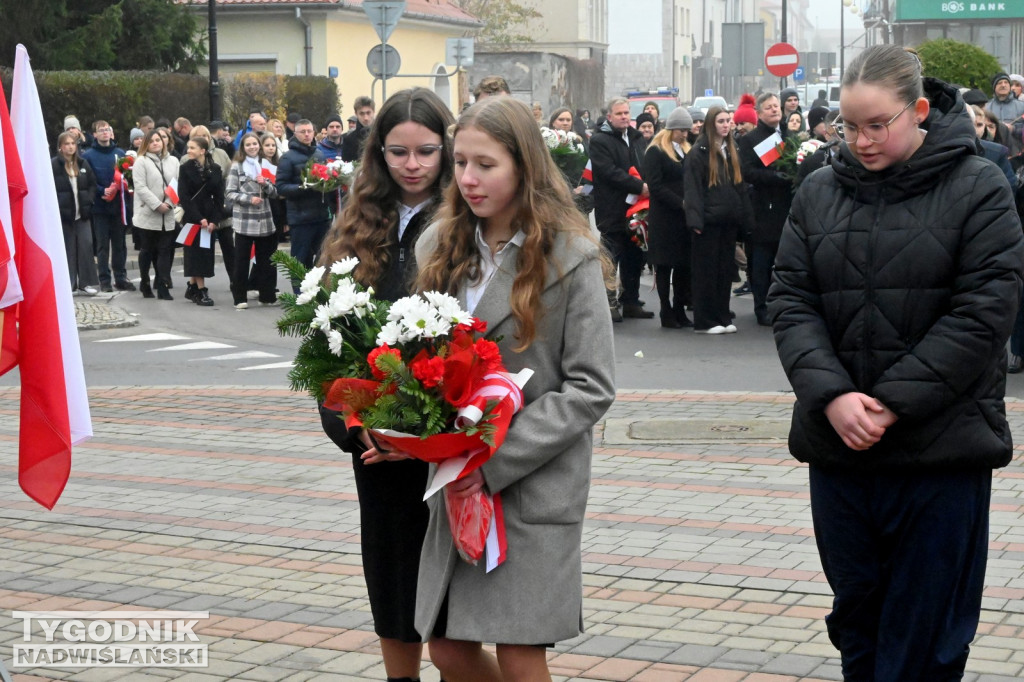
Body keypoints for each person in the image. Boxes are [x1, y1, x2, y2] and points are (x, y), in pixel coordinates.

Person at [768, 45, 1024, 682]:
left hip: (941, 453)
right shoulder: (820, 190)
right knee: (860, 622)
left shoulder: (979, 185)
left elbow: (983, 312)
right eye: (850, 127)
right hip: (841, 451)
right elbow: (790, 298)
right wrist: (832, 397)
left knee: (927, 634)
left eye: (877, 125)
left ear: (918, 112)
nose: (861, 140)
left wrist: (888, 403)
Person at [413, 94, 616, 682]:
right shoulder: (437, 248)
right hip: (457, 485)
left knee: (521, 653)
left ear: (524, 167)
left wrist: (494, 456)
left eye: (486, 165)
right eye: (459, 163)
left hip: (529, 483)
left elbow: (591, 385)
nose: (468, 179)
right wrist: (403, 425)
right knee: (448, 647)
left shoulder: (569, 256)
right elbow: (418, 360)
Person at [316, 88, 454, 682]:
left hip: (444, 435)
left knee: (450, 596)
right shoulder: (355, 222)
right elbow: (324, 340)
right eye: (398, 151)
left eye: (426, 150)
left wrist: (436, 422)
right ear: (379, 152)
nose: (413, 164)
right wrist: (349, 424)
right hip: (373, 440)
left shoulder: (462, 220)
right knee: (391, 573)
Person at [685, 106, 752, 334]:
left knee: (725, 273)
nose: (726, 125)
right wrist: (695, 221)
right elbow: (693, 189)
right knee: (707, 273)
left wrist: (744, 217)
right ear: (711, 124)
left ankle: (723, 316)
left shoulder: (732, 150)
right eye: (721, 121)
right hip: (708, 222)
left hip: (728, 220)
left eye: (728, 121)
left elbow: (740, 187)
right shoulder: (699, 152)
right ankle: (705, 321)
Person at [590, 96, 652, 321]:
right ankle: (609, 303)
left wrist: (647, 185)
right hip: (612, 209)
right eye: (619, 114)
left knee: (634, 258)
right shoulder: (599, 141)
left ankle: (631, 302)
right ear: (609, 117)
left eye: (627, 113)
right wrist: (640, 186)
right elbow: (608, 172)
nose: (624, 117)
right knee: (611, 259)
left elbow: (644, 166)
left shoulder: (636, 138)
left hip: (637, 210)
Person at [737, 92, 789, 326]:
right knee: (762, 262)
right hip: (764, 208)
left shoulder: (789, 135)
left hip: (787, 206)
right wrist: (775, 176)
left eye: (776, 106)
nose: (774, 110)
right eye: (769, 107)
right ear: (759, 113)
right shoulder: (751, 139)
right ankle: (762, 307)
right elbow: (747, 172)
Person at [642, 107, 693, 328]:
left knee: (683, 264)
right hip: (664, 216)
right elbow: (655, 185)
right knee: (664, 265)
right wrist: (679, 202)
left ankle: (680, 308)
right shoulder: (656, 151)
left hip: (684, 217)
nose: (685, 134)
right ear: (671, 129)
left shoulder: (686, 150)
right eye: (681, 130)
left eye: (687, 130)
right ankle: (666, 309)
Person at [226, 132, 278, 310]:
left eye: (255, 144)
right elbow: (230, 193)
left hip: (265, 220)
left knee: (267, 261)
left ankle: (267, 295)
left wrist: (265, 184)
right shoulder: (236, 167)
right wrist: (248, 199)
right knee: (241, 261)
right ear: (243, 147)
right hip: (244, 221)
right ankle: (239, 297)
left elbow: (274, 192)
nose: (252, 147)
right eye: (248, 145)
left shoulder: (266, 165)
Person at [82, 120, 135, 293]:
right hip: (100, 207)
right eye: (101, 130)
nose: (105, 132)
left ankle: (120, 277)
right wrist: (101, 190)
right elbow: (88, 180)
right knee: (102, 245)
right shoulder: (88, 156)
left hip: (118, 207)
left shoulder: (120, 153)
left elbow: (127, 178)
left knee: (120, 245)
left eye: (107, 129)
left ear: (112, 133)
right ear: (95, 134)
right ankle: (104, 279)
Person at [276, 118, 332, 269]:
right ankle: (299, 292)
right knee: (300, 262)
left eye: (309, 131)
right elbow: (281, 187)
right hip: (300, 219)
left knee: (323, 260)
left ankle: (319, 292)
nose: (307, 135)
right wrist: (303, 187)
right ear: (296, 134)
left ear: (314, 133)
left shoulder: (319, 154)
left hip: (321, 217)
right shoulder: (287, 158)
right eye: (303, 132)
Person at [131, 130, 180, 300]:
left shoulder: (173, 161)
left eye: (158, 140)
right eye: (151, 141)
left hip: (168, 214)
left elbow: (176, 184)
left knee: (165, 251)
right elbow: (140, 187)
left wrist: (169, 203)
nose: (155, 143)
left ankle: (163, 284)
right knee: (147, 250)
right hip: (147, 214)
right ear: (146, 144)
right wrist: (157, 204)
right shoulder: (141, 162)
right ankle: (145, 281)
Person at [178, 136, 225, 307]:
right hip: (192, 218)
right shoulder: (184, 168)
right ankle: (201, 290)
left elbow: (220, 197)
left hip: (210, 216)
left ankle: (192, 287)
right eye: (188, 147)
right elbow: (184, 197)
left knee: (205, 253)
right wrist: (199, 218)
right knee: (194, 254)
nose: (188, 151)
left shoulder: (215, 169)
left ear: (202, 151)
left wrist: (214, 220)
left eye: (192, 148)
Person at [52, 131, 100, 295]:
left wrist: (90, 200)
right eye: (66, 144)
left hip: (83, 214)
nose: (70, 147)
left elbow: (93, 185)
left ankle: (86, 283)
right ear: (60, 147)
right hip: (64, 216)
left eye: (73, 143)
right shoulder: (54, 165)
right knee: (68, 249)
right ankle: (69, 284)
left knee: (86, 246)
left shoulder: (83, 164)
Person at [342, 96, 375, 162]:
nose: (366, 118)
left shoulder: (383, 135)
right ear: (356, 114)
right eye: (361, 113)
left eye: (368, 113)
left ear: (374, 112)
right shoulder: (348, 140)